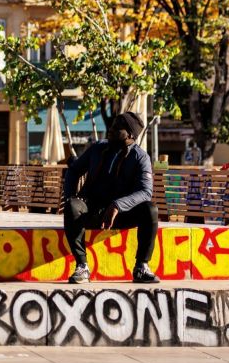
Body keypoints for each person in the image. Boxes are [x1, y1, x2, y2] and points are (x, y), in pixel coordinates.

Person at [62, 111, 159, 284]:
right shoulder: (98, 148)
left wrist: (117, 205)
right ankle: (82, 266)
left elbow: (145, 192)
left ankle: (141, 267)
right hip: (92, 210)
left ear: (130, 135)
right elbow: (74, 170)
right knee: (72, 206)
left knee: (150, 209)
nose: (111, 130)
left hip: (121, 214)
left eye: (117, 128)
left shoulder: (141, 157)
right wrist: (71, 196)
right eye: (112, 125)